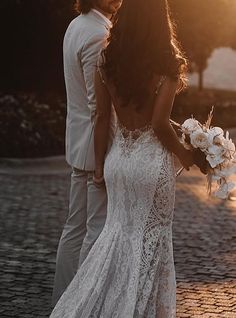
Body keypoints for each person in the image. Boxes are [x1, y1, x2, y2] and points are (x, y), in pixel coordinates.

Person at [50, 0, 206, 316]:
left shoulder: (107, 60)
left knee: (112, 240)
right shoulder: (168, 66)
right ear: (161, 20)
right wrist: (186, 154)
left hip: (117, 161)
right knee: (151, 247)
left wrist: (99, 167)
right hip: (150, 166)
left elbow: (102, 117)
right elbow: (159, 125)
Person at [52, 0, 122, 306]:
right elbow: (98, 106)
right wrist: (102, 159)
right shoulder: (97, 33)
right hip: (95, 147)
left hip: (77, 141)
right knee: (95, 229)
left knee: (74, 227)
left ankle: (62, 302)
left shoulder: (76, 25)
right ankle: (82, 304)